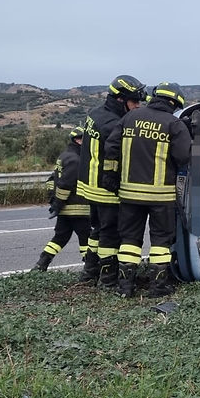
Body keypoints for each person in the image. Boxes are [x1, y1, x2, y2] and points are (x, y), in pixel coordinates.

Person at [103, 82, 191, 298]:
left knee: (130, 240)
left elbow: (111, 149)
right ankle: (158, 287)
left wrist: (111, 177)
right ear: (174, 102)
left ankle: (125, 287)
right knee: (161, 241)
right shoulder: (174, 123)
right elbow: (183, 157)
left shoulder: (129, 118)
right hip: (161, 197)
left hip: (129, 194)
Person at [77, 75, 147, 287]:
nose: (138, 106)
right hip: (104, 187)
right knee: (110, 233)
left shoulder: (97, 113)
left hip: (90, 184)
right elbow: (119, 154)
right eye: (134, 102)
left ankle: (90, 272)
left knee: (97, 231)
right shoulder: (112, 124)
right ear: (120, 100)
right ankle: (108, 279)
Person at [32, 126, 91, 271]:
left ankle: (41, 264)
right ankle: (90, 268)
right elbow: (65, 185)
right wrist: (57, 203)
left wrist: (53, 200)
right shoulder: (77, 160)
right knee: (87, 239)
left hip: (64, 210)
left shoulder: (64, 156)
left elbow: (51, 180)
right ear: (78, 140)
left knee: (60, 238)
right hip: (78, 209)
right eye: (87, 139)